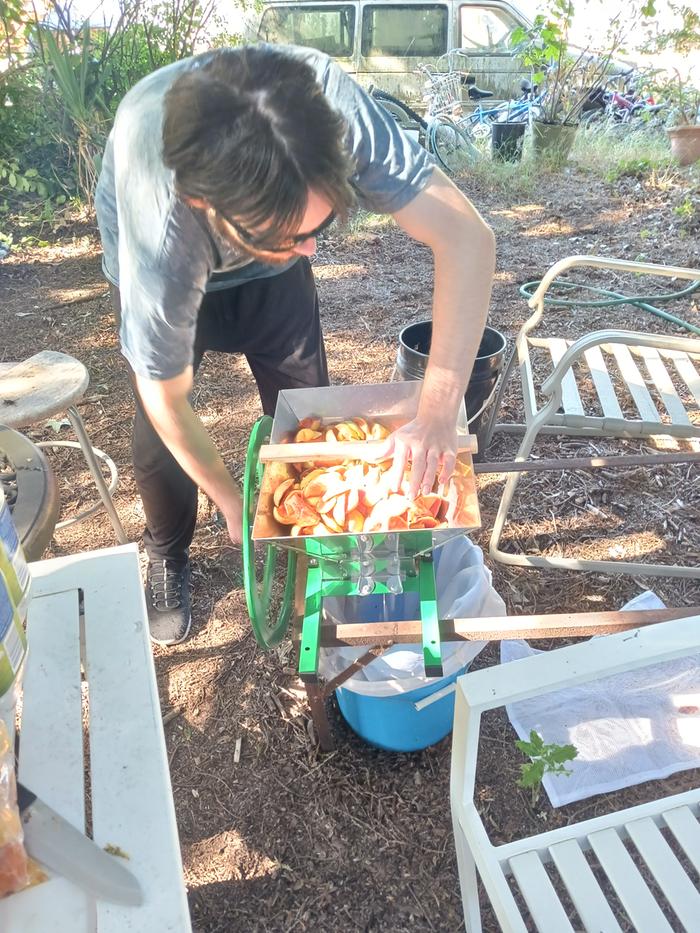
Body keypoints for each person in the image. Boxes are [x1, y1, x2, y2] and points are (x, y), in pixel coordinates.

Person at [95, 44, 495, 646]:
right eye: (291, 235)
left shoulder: (331, 110)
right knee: (157, 443)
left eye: (321, 225)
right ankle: (166, 552)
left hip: (262, 250)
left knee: (309, 408)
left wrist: (437, 410)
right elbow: (166, 400)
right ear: (209, 207)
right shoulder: (165, 229)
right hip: (162, 246)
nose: (313, 250)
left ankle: (332, 543)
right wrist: (232, 503)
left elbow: (468, 238)